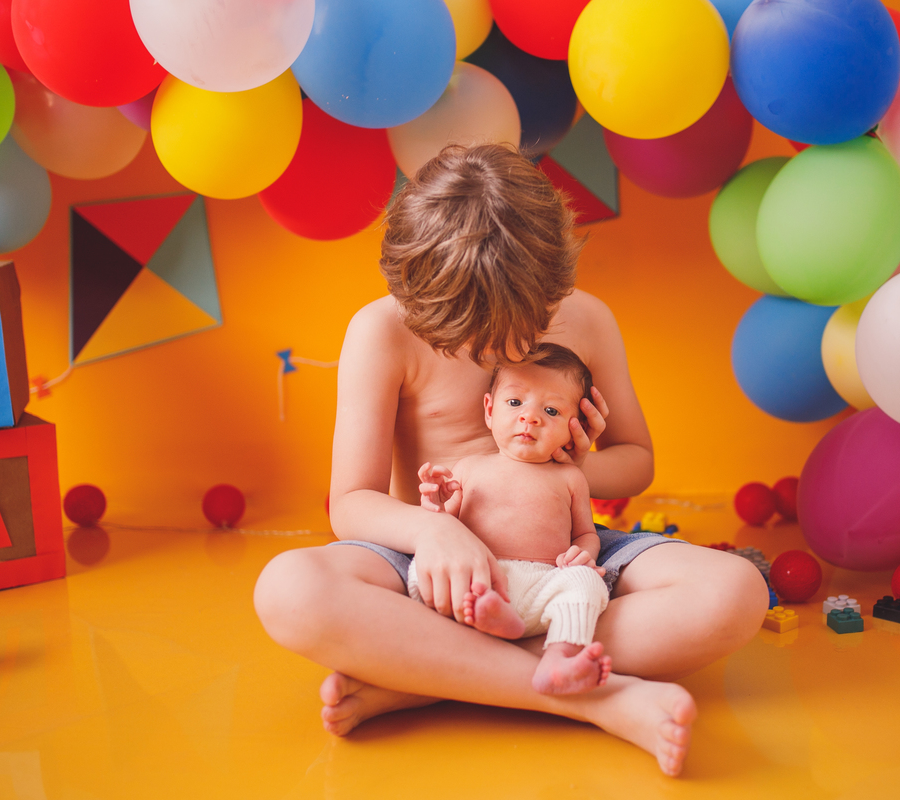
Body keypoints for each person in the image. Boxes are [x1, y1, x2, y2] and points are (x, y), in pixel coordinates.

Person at [254, 143, 769, 777]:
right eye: (472, 339)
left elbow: (636, 461)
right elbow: (352, 503)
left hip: (563, 558)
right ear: (419, 298)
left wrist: (574, 470)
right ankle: (595, 700)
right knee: (288, 590)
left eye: (522, 334)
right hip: (426, 563)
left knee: (737, 590)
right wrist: (435, 530)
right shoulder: (382, 331)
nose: (501, 351)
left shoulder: (587, 319)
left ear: (552, 287)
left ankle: (428, 674)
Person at [414, 342, 612, 696]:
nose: (530, 417)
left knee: (588, 584)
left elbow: (585, 533)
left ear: (575, 429)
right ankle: (495, 616)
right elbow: (448, 528)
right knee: (418, 568)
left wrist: (585, 554)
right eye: (515, 402)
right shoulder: (470, 468)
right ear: (489, 411)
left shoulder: (569, 478)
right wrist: (437, 504)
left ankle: (559, 657)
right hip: (478, 576)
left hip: (542, 584)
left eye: (551, 410)